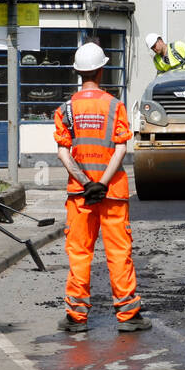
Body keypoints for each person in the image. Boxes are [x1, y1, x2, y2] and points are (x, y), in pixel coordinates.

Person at [55, 42, 148, 333]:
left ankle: (76, 318)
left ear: (78, 72)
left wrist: (86, 183)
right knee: (119, 252)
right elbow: (121, 149)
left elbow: (63, 153)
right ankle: (128, 316)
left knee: (80, 253)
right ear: (101, 70)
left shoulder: (66, 109)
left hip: (80, 195)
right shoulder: (114, 106)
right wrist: (102, 183)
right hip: (112, 194)